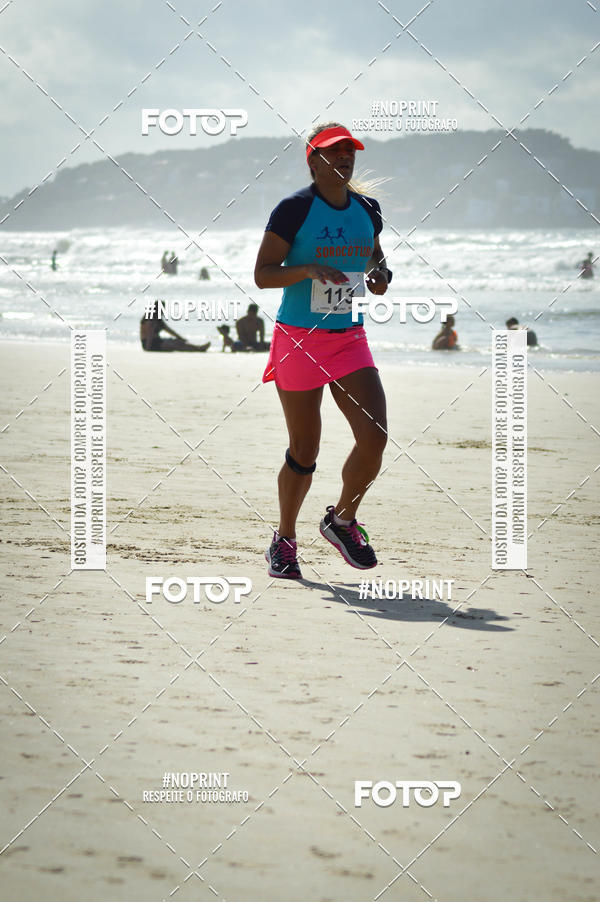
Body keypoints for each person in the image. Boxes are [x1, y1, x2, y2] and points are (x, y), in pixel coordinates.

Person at [254, 121, 392, 579]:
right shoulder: (294, 209)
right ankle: (285, 538)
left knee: (374, 437)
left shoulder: (367, 209)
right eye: (334, 152)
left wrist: (380, 277)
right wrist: (308, 268)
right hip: (299, 339)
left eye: (350, 151)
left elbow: (376, 259)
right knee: (305, 449)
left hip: (349, 338)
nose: (345, 158)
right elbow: (264, 273)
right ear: (313, 161)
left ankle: (342, 521)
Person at [140, 301, 210, 352]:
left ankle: (198, 348)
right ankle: (198, 349)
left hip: (158, 341)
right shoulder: (149, 320)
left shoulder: (158, 320)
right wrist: (148, 348)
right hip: (150, 343)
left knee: (177, 342)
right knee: (174, 345)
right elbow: (150, 335)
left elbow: (170, 331)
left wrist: (180, 338)